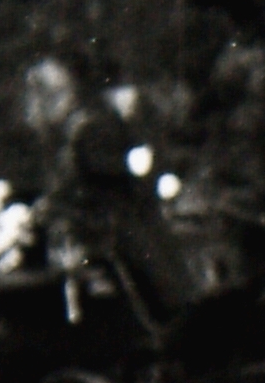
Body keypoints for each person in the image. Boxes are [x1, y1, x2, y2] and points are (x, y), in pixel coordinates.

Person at [22, 54, 201, 324]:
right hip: (109, 223)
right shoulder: (76, 130)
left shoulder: (87, 128)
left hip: (115, 223)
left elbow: (107, 171)